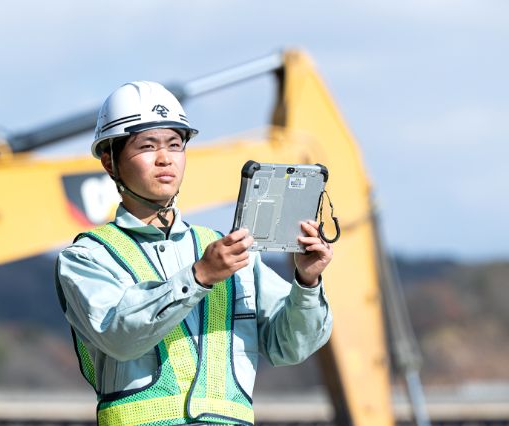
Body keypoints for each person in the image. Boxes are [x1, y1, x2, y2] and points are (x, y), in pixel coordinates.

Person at [55, 81, 333, 426]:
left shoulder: (230, 254)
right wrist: (199, 277)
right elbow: (120, 337)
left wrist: (307, 282)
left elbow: (290, 347)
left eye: (175, 144)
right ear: (110, 163)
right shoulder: (87, 258)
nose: (165, 158)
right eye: (147, 146)